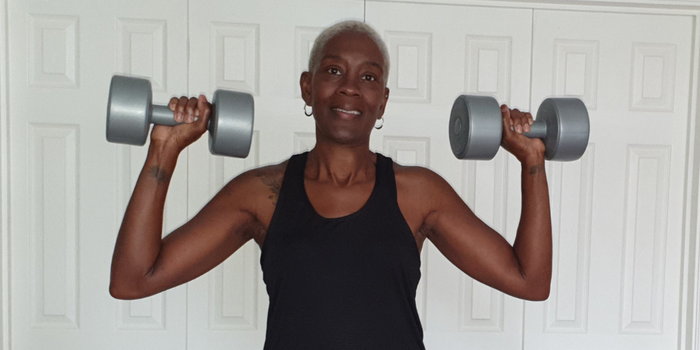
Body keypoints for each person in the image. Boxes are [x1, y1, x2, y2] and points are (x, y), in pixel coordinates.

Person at [109, 20, 551, 349]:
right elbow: (133, 279)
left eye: (369, 77)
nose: (351, 89)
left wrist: (532, 163)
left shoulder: (418, 193)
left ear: (383, 102)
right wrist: (163, 151)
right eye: (334, 71)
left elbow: (530, 280)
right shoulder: (263, 193)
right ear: (308, 87)